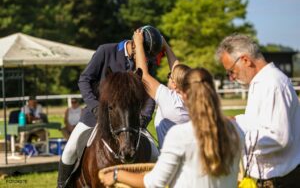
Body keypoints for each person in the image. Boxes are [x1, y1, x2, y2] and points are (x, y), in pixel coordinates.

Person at [57, 25, 163, 188]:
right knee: (69, 151)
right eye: (144, 54)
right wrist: (94, 106)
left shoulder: (146, 62)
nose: (145, 60)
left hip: (131, 121)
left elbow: (150, 94)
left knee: (156, 154)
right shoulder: (106, 51)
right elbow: (84, 80)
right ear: (135, 44)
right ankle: (61, 185)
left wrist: (144, 117)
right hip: (96, 114)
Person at [101, 68, 241, 188]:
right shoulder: (235, 130)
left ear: (183, 94)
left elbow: (153, 182)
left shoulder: (178, 135)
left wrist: (116, 174)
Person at [216, 34, 300, 187]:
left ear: (245, 60)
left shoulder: (272, 83)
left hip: (279, 180)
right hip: (269, 177)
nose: (231, 78)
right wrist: (236, 121)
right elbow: (260, 122)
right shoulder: (261, 82)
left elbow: (279, 137)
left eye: (231, 71)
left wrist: (233, 139)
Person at [133, 29, 190, 148]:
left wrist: (138, 44)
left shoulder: (171, 101)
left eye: (169, 75)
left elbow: (143, 75)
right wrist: (166, 46)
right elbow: (178, 70)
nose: (168, 75)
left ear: (174, 84)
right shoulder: (193, 97)